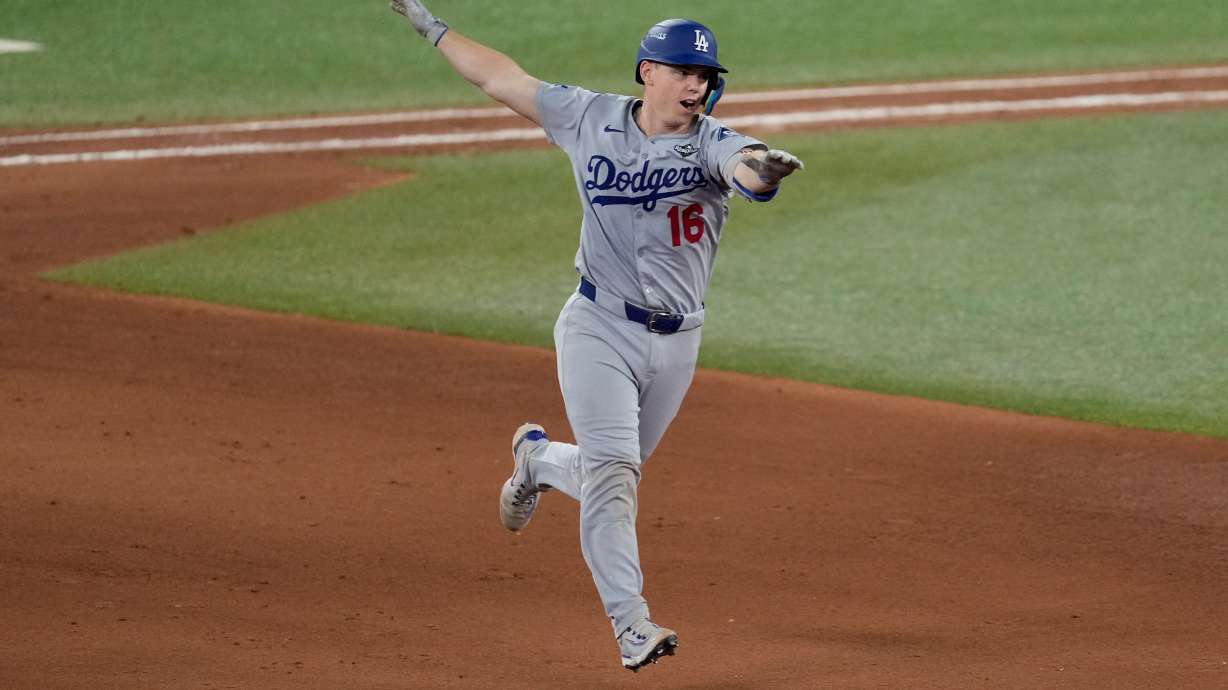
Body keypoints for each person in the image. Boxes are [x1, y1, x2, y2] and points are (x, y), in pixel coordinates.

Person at [390, 1, 804, 672]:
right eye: (682, 72)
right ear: (648, 71)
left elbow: (747, 170)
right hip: (597, 327)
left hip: (677, 344)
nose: (695, 86)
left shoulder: (712, 141)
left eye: (705, 75)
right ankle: (631, 624)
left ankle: (537, 462)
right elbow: (502, 78)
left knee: (612, 473)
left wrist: (766, 170)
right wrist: (433, 30)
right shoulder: (588, 117)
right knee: (615, 476)